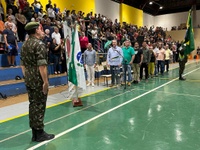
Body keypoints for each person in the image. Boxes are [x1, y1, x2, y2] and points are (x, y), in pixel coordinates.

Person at [20, 22, 55, 142]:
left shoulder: (25, 45)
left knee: (32, 104)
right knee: (39, 105)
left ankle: (34, 132)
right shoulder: (39, 44)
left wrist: (27, 77)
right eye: (40, 29)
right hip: (38, 79)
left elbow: (23, 64)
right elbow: (42, 66)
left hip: (29, 78)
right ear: (35, 30)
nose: (42, 31)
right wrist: (45, 82)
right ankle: (39, 133)